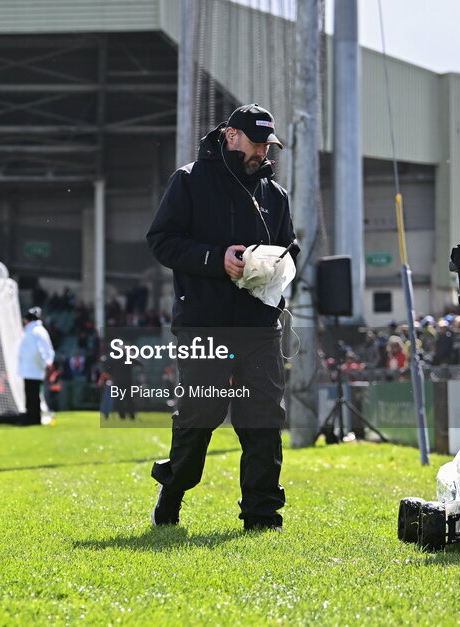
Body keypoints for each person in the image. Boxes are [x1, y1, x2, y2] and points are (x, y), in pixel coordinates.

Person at [145, 103, 298, 531]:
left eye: (268, 146)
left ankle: (263, 516)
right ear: (230, 136)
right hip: (203, 323)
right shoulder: (189, 181)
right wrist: (217, 258)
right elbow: (161, 241)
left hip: (260, 325)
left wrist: (273, 264)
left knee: (264, 416)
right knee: (201, 413)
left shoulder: (276, 195)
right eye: (256, 143)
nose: (263, 153)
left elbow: (290, 247)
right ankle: (172, 489)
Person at [0, 307, 55, 426]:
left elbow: (37, 351)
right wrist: (46, 364)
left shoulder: (34, 331)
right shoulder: (39, 331)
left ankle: (33, 419)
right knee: (33, 396)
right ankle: (33, 417)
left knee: (32, 396)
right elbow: (46, 351)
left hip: (32, 370)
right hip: (33, 370)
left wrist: (43, 364)